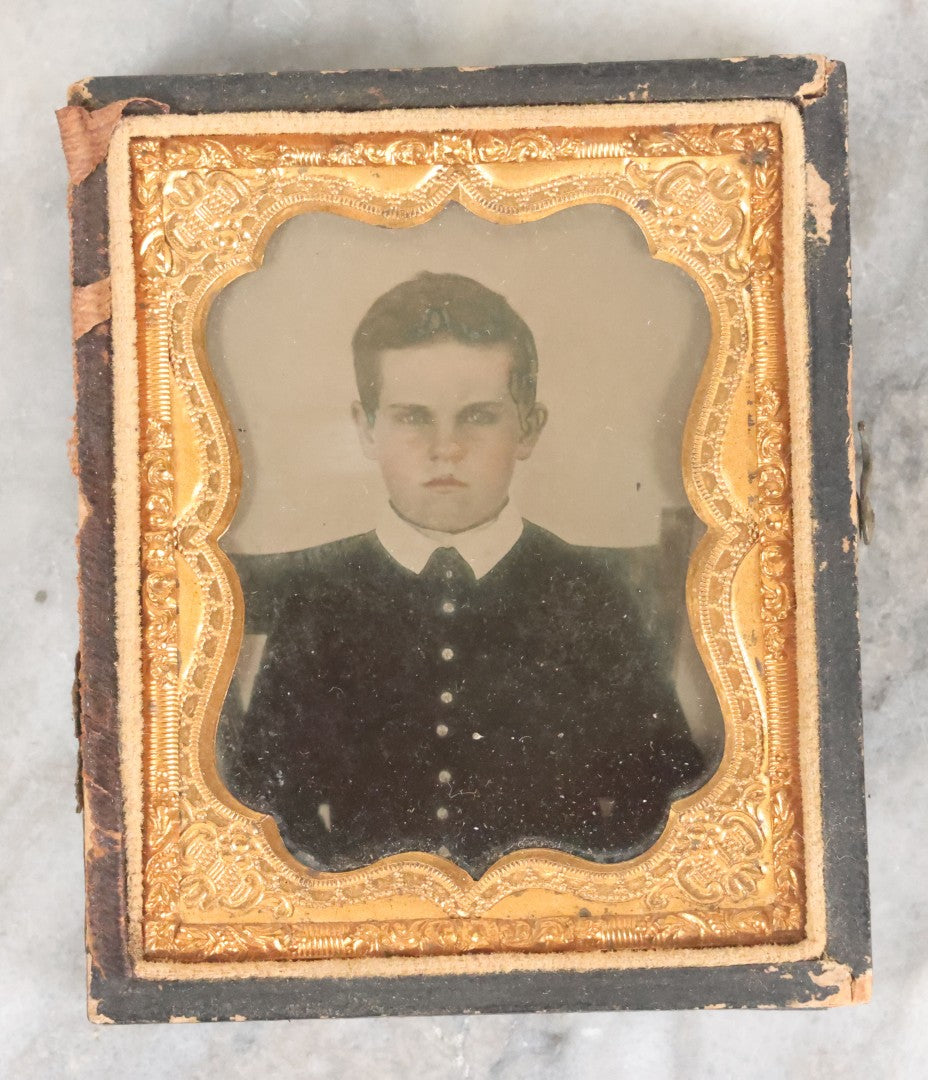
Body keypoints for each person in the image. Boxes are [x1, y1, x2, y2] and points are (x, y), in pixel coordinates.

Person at [218, 271, 706, 876]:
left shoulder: (590, 595)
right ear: (366, 428)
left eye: (477, 416)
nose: (444, 448)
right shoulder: (322, 598)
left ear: (528, 428)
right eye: (412, 417)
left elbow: (659, 803)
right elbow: (269, 805)